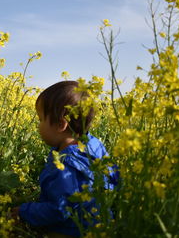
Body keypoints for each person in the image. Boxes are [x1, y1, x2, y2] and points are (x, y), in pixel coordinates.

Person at [11, 80, 119, 238]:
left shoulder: (65, 163)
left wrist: (25, 211)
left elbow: (59, 209)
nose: (38, 126)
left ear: (61, 124)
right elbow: (115, 180)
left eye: (40, 119)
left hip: (74, 231)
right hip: (102, 224)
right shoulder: (95, 145)